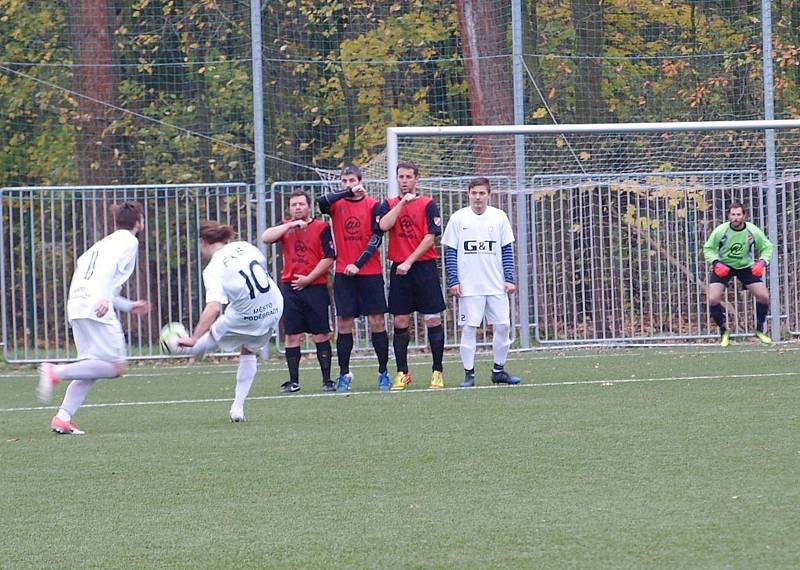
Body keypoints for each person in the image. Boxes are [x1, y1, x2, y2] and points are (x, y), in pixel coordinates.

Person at [36, 202, 151, 435]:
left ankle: (62, 418)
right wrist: (102, 298)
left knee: (91, 367)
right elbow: (107, 270)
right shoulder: (129, 241)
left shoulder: (102, 244)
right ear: (137, 222)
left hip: (78, 304)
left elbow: (86, 271)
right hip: (94, 306)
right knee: (117, 367)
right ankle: (55, 372)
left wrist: (128, 305)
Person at [177, 221, 283, 422]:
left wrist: (194, 337)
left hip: (246, 314)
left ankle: (186, 347)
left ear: (203, 242)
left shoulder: (212, 269)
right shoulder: (244, 246)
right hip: (274, 305)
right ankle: (238, 407)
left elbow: (214, 308)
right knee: (249, 349)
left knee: (213, 334)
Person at [441, 177, 521, 388]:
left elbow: (506, 250)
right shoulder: (459, 218)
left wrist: (509, 278)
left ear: (488, 194)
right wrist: (454, 280)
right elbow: (451, 251)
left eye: (482, 193)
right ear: (469, 194)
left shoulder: (499, 217)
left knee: (503, 325)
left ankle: (498, 371)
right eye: (474, 193)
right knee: (469, 328)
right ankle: (469, 374)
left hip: (495, 284)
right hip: (469, 286)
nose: (478, 197)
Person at [318, 165, 390, 392]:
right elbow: (322, 201)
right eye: (344, 181)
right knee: (344, 324)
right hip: (343, 274)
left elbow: (377, 237)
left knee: (377, 321)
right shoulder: (336, 204)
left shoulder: (374, 205)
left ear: (360, 180)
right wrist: (348, 192)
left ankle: (383, 372)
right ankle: (343, 374)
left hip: (369, 272)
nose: (347, 184)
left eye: (351, 180)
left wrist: (358, 264)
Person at [376, 161, 446, 390]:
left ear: (416, 179)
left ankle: (437, 371)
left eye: (408, 177)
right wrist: (400, 204)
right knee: (400, 321)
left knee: (433, 319)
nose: (404, 181)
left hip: (423, 268)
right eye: (401, 177)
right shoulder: (388, 204)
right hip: (400, 270)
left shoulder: (428, 204)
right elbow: (384, 226)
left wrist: (409, 261)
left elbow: (430, 238)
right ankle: (403, 373)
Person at [262, 189, 336, 393]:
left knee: (321, 334)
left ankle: (327, 380)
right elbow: (266, 237)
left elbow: (329, 257)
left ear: (309, 206)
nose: (297, 208)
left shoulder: (322, 227)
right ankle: (293, 381)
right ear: (289, 208)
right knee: (292, 335)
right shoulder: (286, 227)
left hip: (315, 287)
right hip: (291, 288)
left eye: (301, 204)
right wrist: (291, 225)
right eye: (294, 205)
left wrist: (309, 278)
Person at [702, 202, 774, 347]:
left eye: (738, 214)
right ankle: (724, 331)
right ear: (729, 216)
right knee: (713, 298)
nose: (735, 218)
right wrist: (716, 263)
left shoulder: (752, 231)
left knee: (764, 297)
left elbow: (767, 247)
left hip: (745, 267)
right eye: (733, 215)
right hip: (723, 266)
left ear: (744, 216)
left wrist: (762, 262)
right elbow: (708, 249)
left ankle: (759, 330)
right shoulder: (721, 231)